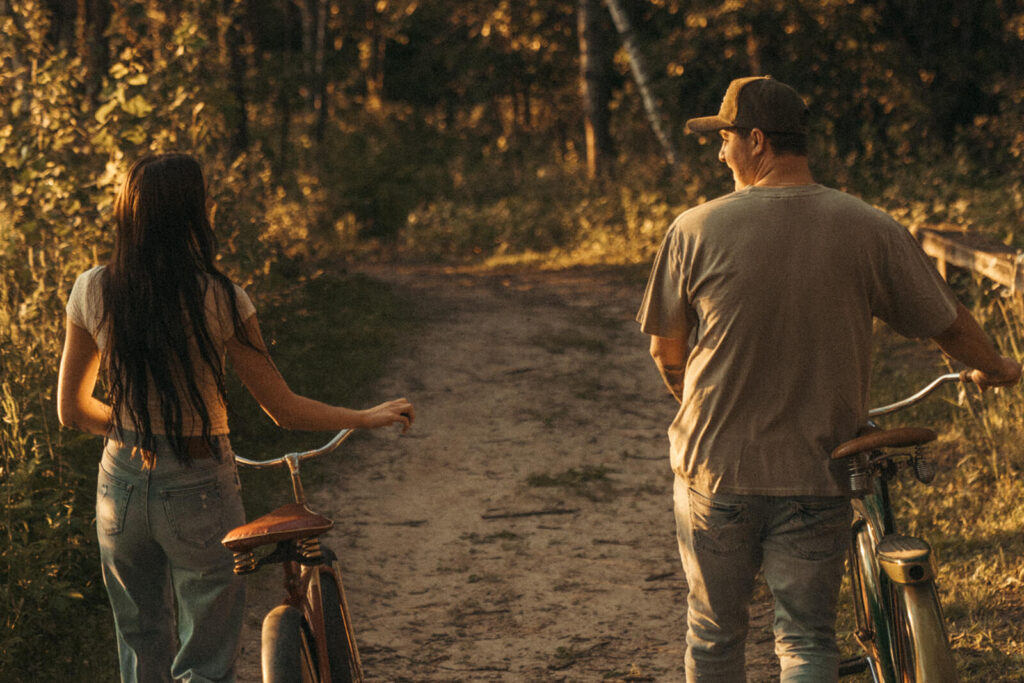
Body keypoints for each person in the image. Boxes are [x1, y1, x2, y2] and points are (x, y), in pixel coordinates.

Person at [636, 76, 1020, 681]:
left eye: (726, 139)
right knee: (808, 641)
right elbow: (947, 323)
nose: (720, 153)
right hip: (820, 469)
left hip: (718, 470)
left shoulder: (695, 229)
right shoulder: (868, 225)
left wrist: (707, 411)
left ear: (756, 140)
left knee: (714, 637)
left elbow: (667, 353)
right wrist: (995, 367)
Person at [57, 153, 415, 683]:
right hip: (199, 484)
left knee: (139, 645)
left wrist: (139, 428)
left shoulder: (92, 289)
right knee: (205, 660)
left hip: (121, 487)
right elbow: (283, 409)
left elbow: (72, 411)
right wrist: (364, 417)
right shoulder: (221, 298)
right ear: (194, 215)